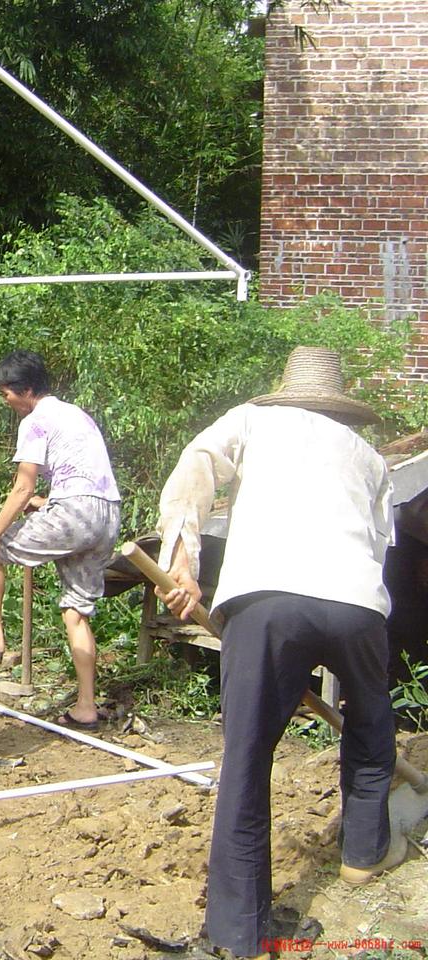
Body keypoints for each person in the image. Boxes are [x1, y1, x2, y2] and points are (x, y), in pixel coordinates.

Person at [155, 346, 401, 959]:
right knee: (371, 722)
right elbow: (380, 545)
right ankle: (365, 852)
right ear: (341, 408)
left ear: (285, 391)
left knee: (247, 756)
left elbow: (196, 466)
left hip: (265, 600)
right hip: (355, 602)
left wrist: (181, 560)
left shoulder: (252, 420)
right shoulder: (371, 458)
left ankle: (241, 931)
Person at [0, 350, 120, 732]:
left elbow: (23, 487)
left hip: (75, 513)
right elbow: (83, 477)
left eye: (7, 393)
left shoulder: (36, 420)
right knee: (76, 609)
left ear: (26, 390)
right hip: (106, 515)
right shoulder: (77, 414)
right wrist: (51, 503)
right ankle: (86, 707)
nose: (5, 400)